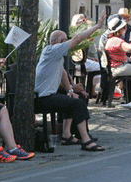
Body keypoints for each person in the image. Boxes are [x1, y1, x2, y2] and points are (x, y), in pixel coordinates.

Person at [35, 12, 107, 151]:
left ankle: (67, 135)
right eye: (65, 40)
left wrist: (70, 90)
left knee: (75, 98)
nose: (67, 42)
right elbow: (78, 38)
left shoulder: (55, 55)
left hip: (46, 95)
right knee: (78, 104)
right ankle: (86, 141)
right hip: (42, 98)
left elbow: (62, 72)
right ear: (60, 41)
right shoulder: (52, 50)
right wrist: (97, 26)